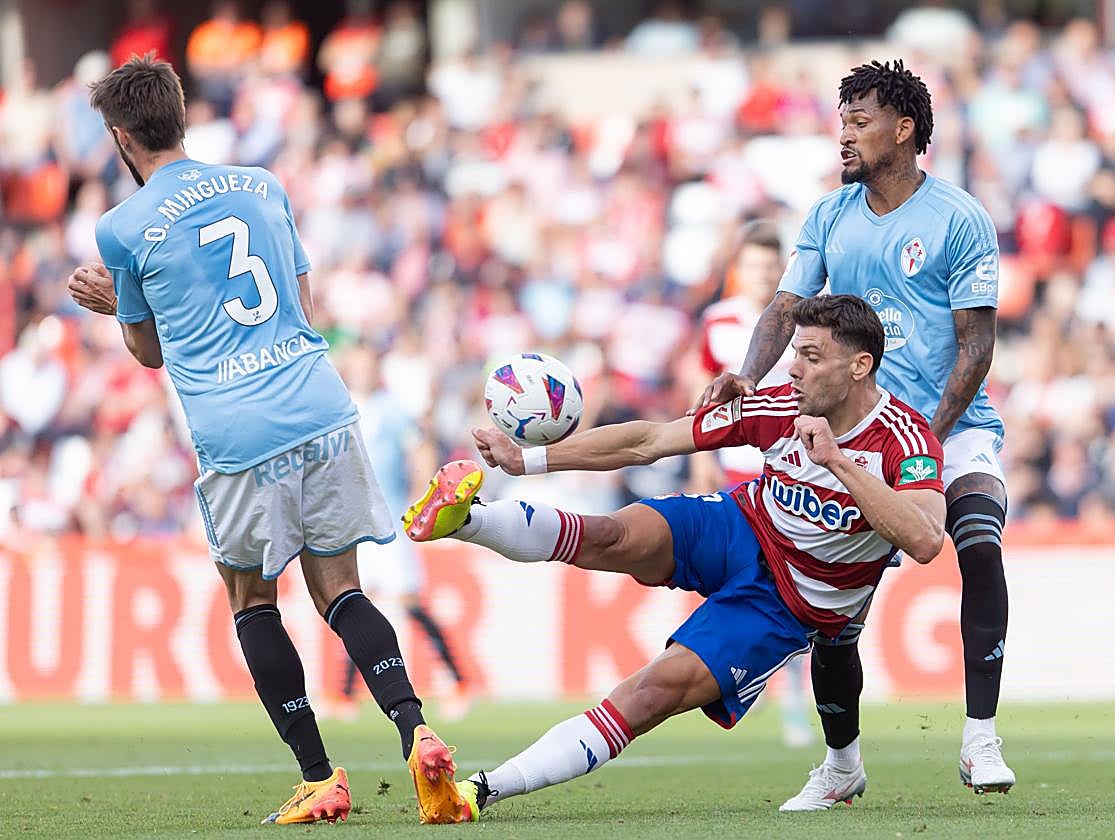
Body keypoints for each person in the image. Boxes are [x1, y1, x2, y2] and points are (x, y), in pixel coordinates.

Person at [64, 56, 471, 826]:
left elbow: (151, 354)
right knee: (341, 590)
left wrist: (117, 302)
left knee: (252, 598)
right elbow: (306, 305)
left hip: (238, 429)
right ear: (180, 113)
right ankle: (416, 730)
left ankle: (321, 776)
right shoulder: (262, 183)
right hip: (319, 404)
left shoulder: (119, 227)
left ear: (119, 136)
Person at [404, 294, 947, 821]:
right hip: (742, 525)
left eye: (811, 356)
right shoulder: (782, 403)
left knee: (650, 693)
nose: (795, 369)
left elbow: (924, 540)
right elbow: (650, 440)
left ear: (860, 366)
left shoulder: (906, 438)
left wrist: (836, 461)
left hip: (790, 601)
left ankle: (478, 790)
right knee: (615, 535)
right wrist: (528, 460)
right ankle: (468, 520)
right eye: (795, 354)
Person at [693, 59, 1015, 797]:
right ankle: (841, 766)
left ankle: (980, 739)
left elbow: (976, 344)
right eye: (841, 120)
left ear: (904, 131)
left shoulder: (959, 218)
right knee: (834, 620)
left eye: (859, 121)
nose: (844, 134)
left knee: (979, 542)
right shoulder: (829, 216)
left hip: (949, 426)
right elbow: (782, 310)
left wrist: (927, 438)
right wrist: (749, 373)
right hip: (855, 433)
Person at [692, 220, 814, 747]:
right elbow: (702, 394)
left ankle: (793, 702)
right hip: (737, 469)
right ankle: (738, 684)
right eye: (754, 265)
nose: (763, 274)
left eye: (771, 265)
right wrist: (702, 467)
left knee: (793, 590)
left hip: (785, 467)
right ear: (739, 269)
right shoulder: (716, 322)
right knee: (732, 585)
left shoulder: (801, 321)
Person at [331, 345, 470, 722]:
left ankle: (457, 681)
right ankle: (344, 694)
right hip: (355, 523)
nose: (363, 370)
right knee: (354, 603)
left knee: (408, 601)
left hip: (390, 520)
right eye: (357, 364)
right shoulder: (340, 407)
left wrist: (421, 496)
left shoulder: (390, 410)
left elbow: (421, 447)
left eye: (368, 364)